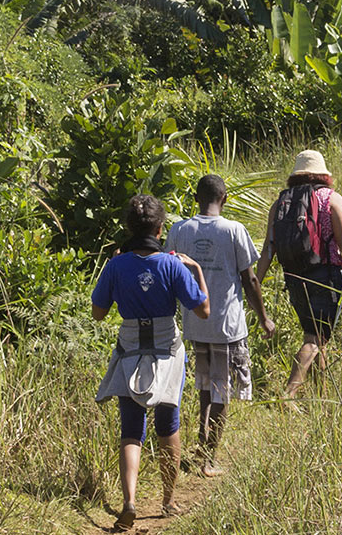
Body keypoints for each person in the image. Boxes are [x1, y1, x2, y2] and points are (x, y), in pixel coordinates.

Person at [91, 194, 211, 531]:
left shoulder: (116, 266)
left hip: (130, 348)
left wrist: (114, 270)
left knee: (131, 430)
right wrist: (197, 270)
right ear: (160, 229)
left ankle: (128, 501)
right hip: (166, 350)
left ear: (130, 227)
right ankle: (168, 499)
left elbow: (98, 314)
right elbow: (203, 310)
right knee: (167, 424)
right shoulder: (172, 265)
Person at [164, 174, 275, 477]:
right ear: (224, 199)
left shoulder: (179, 229)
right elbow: (249, 279)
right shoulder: (234, 230)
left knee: (204, 385)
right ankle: (209, 456)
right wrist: (264, 317)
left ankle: (201, 442)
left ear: (196, 199)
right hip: (227, 324)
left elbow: (169, 272)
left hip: (194, 323)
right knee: (221, 390)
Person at [254, 150, 342, 400]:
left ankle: (320, 396)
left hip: (294, 277)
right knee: (315, 339)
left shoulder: (281, 201)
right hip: (325, 275)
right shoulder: (331, 199)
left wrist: (256, 284)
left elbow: (268, 248)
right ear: (323, 174)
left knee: (317, 338)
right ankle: (289, 393)